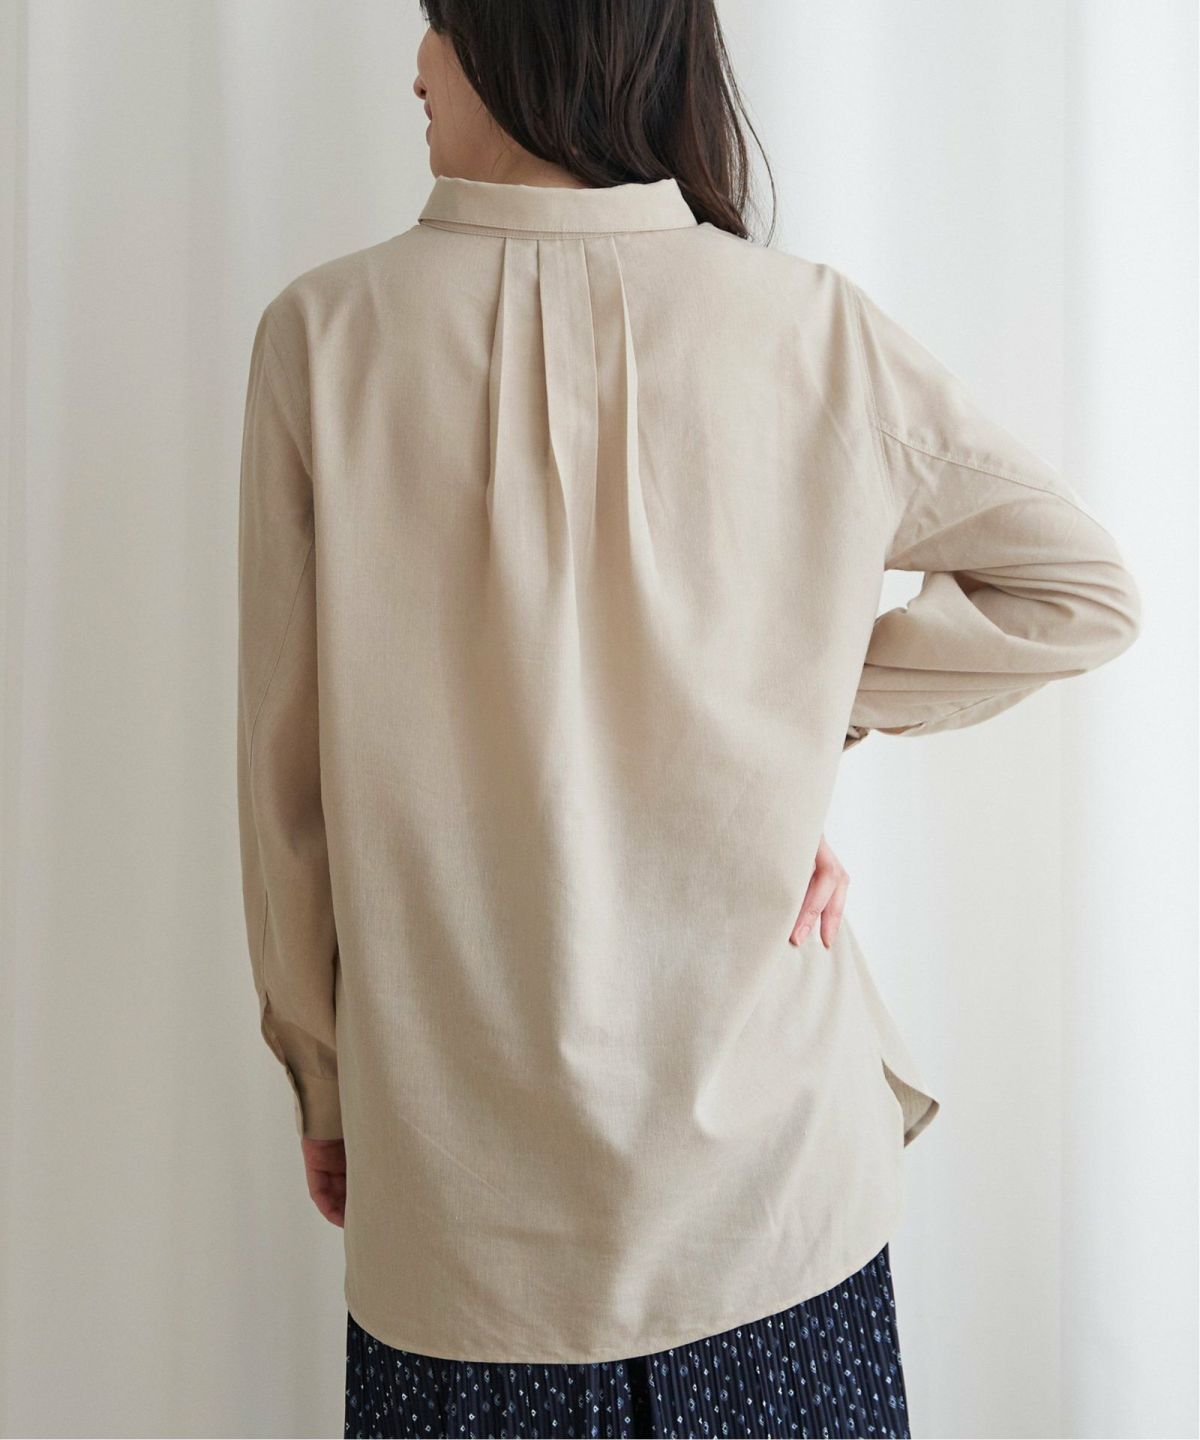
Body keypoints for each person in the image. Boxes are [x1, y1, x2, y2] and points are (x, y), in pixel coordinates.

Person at [234, 3, 1142, 1436]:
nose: (414, 67)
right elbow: (1076, 592)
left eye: (437, 27)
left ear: (526, 38)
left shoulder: (324, 340)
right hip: (775, 1212)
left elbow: (286, 792)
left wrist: (323, 1079)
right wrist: (779, 719)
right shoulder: (807, 328)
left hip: (467, 1234)